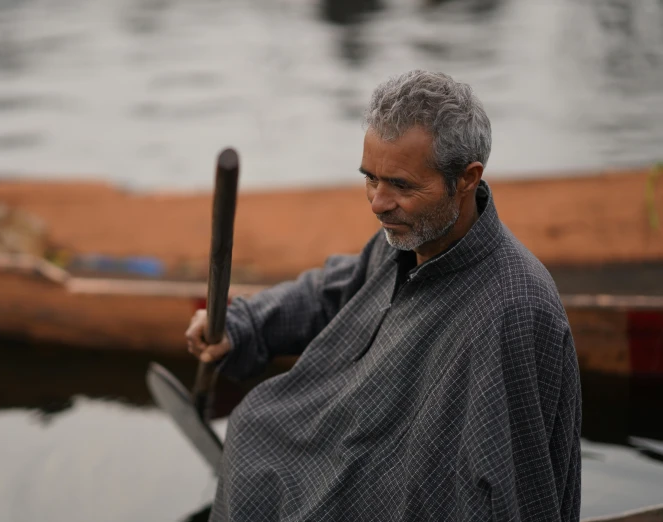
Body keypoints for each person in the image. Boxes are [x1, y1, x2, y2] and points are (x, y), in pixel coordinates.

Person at [186, 70, 581, 521]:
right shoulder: (409, 237)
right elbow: (331, 292)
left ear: (468, 178)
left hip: (415, 495)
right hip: (359, 443)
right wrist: (245, 326)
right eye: (370, 179)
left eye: (401, 185)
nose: (377, 203)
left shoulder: (515, 311)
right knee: (257, 429)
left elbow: (516, 493)